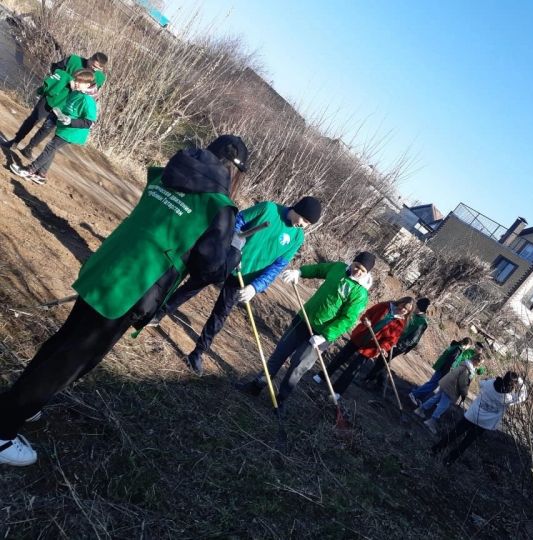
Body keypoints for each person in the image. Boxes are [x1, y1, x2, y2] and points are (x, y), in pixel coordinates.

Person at [0, 134, 248, 467]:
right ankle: (4, 432)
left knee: (66, 342)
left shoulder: (169, 173)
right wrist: (233, 252)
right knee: (73, 359)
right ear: (235, 172)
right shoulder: (218, 206)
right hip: (135, 284)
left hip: (109, 265)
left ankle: (20, 402)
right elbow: (209, 269)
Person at [147, 196, 322, 376]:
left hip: (244, 277)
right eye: (305, 219)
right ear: (298, 209)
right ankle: (158, 314)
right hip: (225, 260)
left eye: (308, 224)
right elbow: (235, 222)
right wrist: (235, 249)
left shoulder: (297, 238)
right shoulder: (268, 209)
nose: (304, 225)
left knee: (220, 314)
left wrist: (255, 287)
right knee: (192, 287)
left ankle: (198, 353)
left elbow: (277, 266)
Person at [241, 252, 375, 408]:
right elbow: (318, 270)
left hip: (321, 335)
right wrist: (299, 272)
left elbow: (347, 319)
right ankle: (257, 385)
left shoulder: (360, 293)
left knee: (298, 366)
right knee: (280, 353)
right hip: (303, 320)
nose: (357, 271)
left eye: (363, 271)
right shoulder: (338, 268)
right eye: (357, 266)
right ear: (353, 262)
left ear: (367, 273)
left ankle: (281, 400)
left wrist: (325, 335)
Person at [1, 52, 107, 156]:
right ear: (91, 59)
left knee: (47, 127)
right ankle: (15, 141)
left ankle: (29, 148)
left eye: (98, 68)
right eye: (94, 65)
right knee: (34, 119)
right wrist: (68, 78)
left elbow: (92, 95)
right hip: (53, 95)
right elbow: (55, 69)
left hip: (68, 105)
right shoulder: (74, 60)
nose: (94, 69)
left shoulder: (100, 77)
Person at [10, 68, 98, 185]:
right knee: (52, 148)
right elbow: (67, 109)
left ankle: (29, 170)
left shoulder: (88, 101)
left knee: (50, 147)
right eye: (76, 80)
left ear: (87, 85)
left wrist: (70, 121)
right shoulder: (75, 92)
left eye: (79, 82)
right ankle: (41, 175)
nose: (76, 83)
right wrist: (58, 114)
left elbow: (89, 122)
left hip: (73, 132)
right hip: (63, 128)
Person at [315, 296, 414, 399]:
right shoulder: (385, 306)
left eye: (407, 310)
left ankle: (337, 391)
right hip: (361, 336)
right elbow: (368, 314)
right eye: (403, 306)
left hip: (371, 347)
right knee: (340, 358)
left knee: (353, 370)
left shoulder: (400, 324)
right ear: (400, 302)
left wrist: (383, 347)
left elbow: (391, 340)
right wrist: (366, 320)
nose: (403, 310)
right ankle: (322, 376)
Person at [431, 371, 527, 466]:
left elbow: (481, 383)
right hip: (484, 423)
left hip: (472, 415)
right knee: (466, 443)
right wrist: (521, 383)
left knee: (454, 433)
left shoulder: (490, 384)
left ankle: (435, 450)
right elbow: (522, 397)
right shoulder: (508, 398)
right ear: (513, 385)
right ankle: (449, 460)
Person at [362, 296, 430, 387]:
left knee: (382, 361)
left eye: (416, 307)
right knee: (382, 361)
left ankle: (369, 380)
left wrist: (398, 345)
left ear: (420, 309)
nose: (414, 309)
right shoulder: (412, 314)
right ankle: (379, 383)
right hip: (393, 338)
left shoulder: (422, 322)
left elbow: (413, 339)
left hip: (399, 345)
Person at [414, 353, 483, 434]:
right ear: (475, 361)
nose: (480, 365)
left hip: (446, 383)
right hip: (451, 389)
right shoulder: (467, 369)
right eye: (480, 363)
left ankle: (420, 410)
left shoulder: (466, 364)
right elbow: (463, 384)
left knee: (436, 398)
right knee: (443, 405)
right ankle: (431, 421)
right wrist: (464, 394)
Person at [408, 337, 475, 406]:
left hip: (442, 368)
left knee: (432, 385)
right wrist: (447, 373)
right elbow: (450, 362)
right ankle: (414, 394)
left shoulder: (457, 347)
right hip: (443, 370)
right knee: (432, 384)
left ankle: (419, 398)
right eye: (469, 346)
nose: (468, 348)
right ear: (467, 345)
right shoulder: (458, 350)